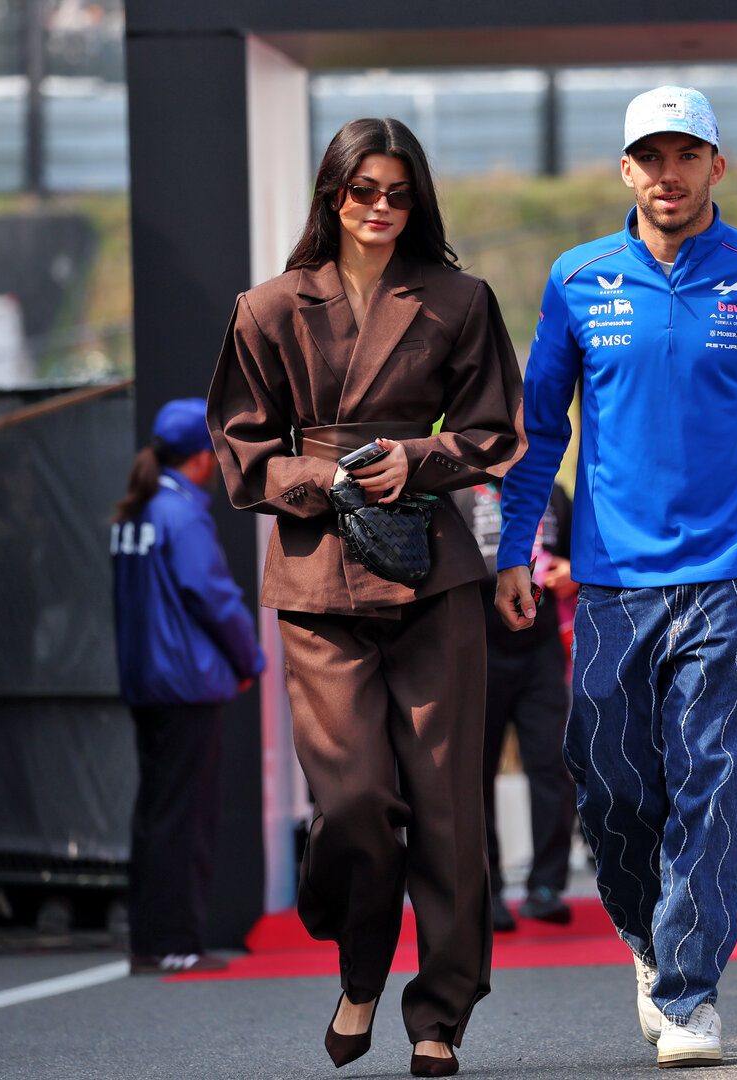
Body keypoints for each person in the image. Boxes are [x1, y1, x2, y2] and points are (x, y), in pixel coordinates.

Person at [494, 86, 737, 1068]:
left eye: (685, 154)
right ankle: (651, 936)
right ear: (624, 171)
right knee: (608, 783)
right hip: (608, 581)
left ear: (715, 167)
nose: (667, 173)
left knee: (711, 777)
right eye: (648, 156)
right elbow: (540, 429)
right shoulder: (576, 278)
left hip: (730, 575)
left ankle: (689, 993)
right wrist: (517, 546)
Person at [208, 118, 523, 1078]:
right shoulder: (265, 308)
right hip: (316, 576)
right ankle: (358, 970)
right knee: (350, 803)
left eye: (398, 191)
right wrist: (325, 479)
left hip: (434, 570)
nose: (381, 208)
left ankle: (439, 1016)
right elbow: (241, 448)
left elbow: (493, 428)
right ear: (331, 196)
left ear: (417, 198)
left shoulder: (462, 299)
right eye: (362, 191)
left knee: (448, 808)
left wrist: (417, 458)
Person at [111, 397, 265, 975]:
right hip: (189, 685)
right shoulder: (183, 513)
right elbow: (214, 597)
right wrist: (249, 658)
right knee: (186, 818)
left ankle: (150, 941)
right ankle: (178, 942)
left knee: (155, 814)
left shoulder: (135, 510)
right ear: (202, 458)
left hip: (147, 682)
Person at [451, 480, 576, 932]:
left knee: (551, 765)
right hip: (478, 648)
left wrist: (569, 571)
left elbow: (582, 554)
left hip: (540, 651)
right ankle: (489, 891)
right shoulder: (461, 491)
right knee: (475, 774)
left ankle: (546, 886)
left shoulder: (552, 491)